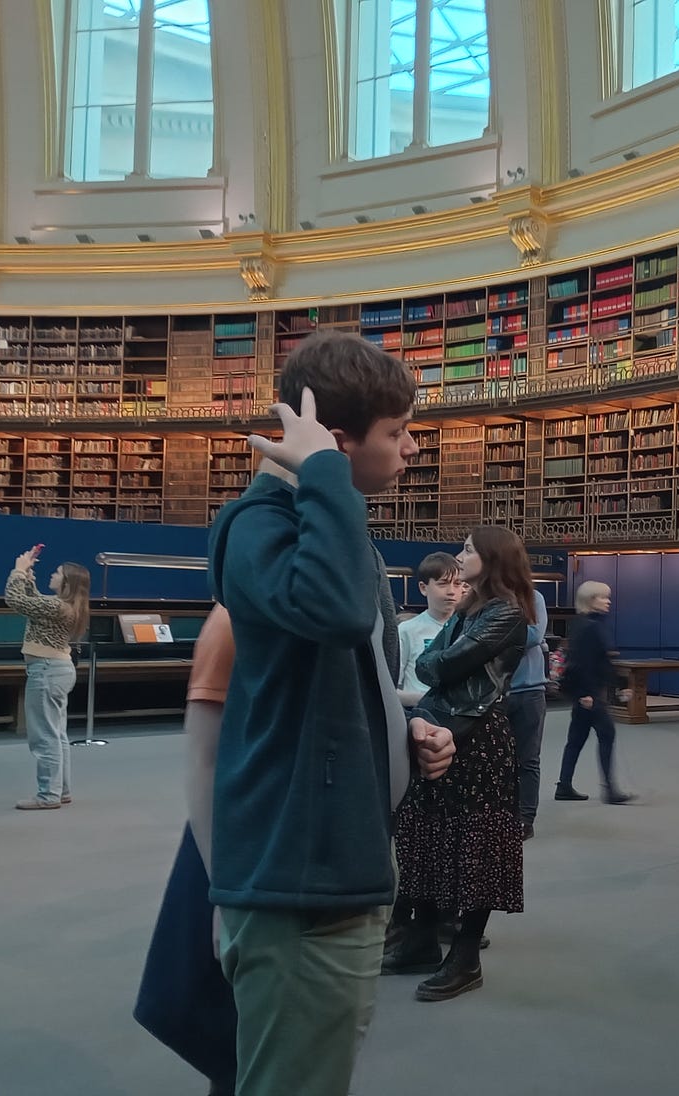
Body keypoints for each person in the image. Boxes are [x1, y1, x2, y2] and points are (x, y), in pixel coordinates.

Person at [208, 332, 457, 1096]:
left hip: (332, 862)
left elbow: (336, 667)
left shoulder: (320, 525)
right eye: (397, 433)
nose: (412, 448)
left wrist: (393, 726)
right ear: (337, 441)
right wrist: (321, 473)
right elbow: (341, 613)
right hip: (296, 878)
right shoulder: (262, 525)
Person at [395, 525, 532, 1003]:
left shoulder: (507, 614)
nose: (460, 556)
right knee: (428, 836)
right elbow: (434, 662)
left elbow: (440, 667)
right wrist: (439, 664)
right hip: (439, 726)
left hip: (478, 740)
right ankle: (421, 939)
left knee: (477, 848)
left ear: (492, 558)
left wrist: (440, 664)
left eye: (469, 549)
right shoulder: (470, 610)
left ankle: (466, 956)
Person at [134, 604, 239, 1096]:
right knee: (232, 1028)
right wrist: (223, 890)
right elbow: (205, 760)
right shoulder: (231, 619)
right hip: (238, 852)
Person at [4, 549, 90, 811]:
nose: (52, 575)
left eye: (57, 574)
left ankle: (48, 795)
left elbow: (15, 600)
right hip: (55, 670)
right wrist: (28, 575)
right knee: (57, 735)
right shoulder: (60, 606)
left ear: (66, 583)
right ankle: (60, 790)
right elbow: (33, 600)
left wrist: (18, 570)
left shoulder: (57, 607)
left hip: (46, 671)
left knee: (45, 737)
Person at [554, 580, 632, 804]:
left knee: (576, 740)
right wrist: (586, 693)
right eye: (602, 597)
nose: (608, 601)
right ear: (590, 600)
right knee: (606, 735)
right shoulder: (591, 627)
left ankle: (564, 785)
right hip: (589, 695)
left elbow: (598, 661)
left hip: (584, 694)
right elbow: (583, 664)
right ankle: (610, 790)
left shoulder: (583, 624)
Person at [508, 586, 550, 839]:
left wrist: (493, 635)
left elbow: (534, 635)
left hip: (529, 691)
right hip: (494, 693)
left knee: (528, 759)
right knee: (497, 761)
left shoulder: (534, 597)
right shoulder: (486, 595)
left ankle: (525, 819)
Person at [395, 552, 464, 704]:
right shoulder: (407, 630)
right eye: (443, 583)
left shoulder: (470, 629)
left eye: (457, 583)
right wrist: (428, 701)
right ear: (423, 588)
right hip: (419, 716)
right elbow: (392, 689)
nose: (451, 591)